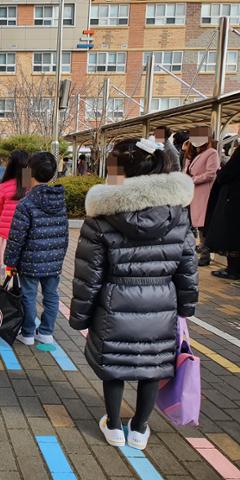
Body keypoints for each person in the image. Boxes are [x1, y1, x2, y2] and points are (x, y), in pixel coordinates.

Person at [69, 138, 198, 451]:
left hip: (113, 305)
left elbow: (89, 274)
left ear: (119, 172)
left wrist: (80, 315)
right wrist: (186, 306)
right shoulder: (178, 214)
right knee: (151, 367)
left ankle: (113, 425)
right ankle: (139, 429)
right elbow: (187, 267)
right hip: (162, 305)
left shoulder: (100, 216)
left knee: (114, 366)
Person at [4, 152, 67, 345]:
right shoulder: (60, 201)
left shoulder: (26, 203)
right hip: (54, 259)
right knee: (51, 294)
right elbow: (64, 232)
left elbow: (16, 238)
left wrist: (10, 261)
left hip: (30, 260)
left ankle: (28, 333)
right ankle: (47, 332)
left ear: (29, 173)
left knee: (28, 295)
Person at [183, 131, 220, 266]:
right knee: (194, 223)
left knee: (203, 225)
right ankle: (195, 251)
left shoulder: (211, 153)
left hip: (204, 192)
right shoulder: (192, 154)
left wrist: (192, 180)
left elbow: (211, 174)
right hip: (191, 193)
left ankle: (205, 254)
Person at [0, 150, 30, 268]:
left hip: (7, 235)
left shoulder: (4, 185)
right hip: (27, 234)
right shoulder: (29, 184)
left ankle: (10, 285)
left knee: (8, 269)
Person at [205, 145, 240, 280]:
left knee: (232, 235)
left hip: (234, 200)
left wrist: (221, 171)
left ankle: (233, 269)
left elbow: (226, 174)